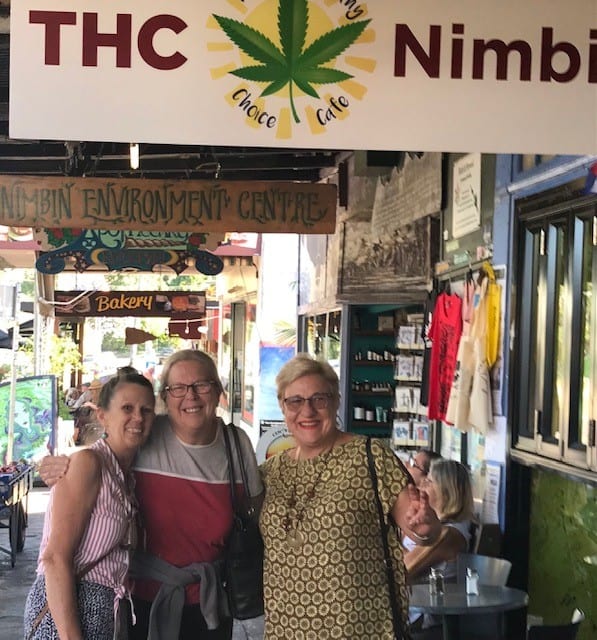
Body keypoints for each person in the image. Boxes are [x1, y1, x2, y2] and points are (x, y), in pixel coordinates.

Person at [40, 350, 264, 640]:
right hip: (139, 603)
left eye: (202, 385)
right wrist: (60, 465)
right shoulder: (146, 433)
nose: (191, 396)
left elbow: (256, 514)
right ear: (165, 398)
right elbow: (104, 453)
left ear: (219, 391)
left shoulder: (236, 444)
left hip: (211, 604)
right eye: (178, 388)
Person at [259, 353, 441, 640]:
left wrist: (425, 527)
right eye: (295, 401)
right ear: (283, 406)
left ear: (336, 402)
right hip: (286, 631)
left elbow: (420, 529)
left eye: (319, 399)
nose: (307, 411)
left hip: (360, 630)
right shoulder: (270, 472)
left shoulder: (370, 457)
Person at [24, 370, 156, 639]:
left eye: (146, 410)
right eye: (127, 408)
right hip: (65, 615)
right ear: (103, 416)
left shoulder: (125, 475)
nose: (138, 418)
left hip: (103, 613)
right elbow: (55, 558)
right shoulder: (89, 463)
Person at [404, 459, 474, 583]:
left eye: (428, 482)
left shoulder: (448, 534)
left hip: (427, 594)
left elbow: (404, 569)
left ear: (445, 492)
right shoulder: (439, 524)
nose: (421, 486)